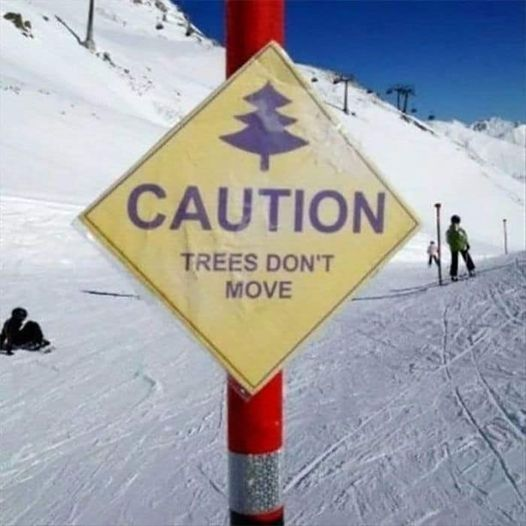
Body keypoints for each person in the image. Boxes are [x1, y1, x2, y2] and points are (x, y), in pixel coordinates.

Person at [446, 215, 476, 281]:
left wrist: (452, 244)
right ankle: (471, 270)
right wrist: (466, 243)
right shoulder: (458, 229)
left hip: (454, 247)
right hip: (461, 245)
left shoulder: (449, 230)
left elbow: (448, 240)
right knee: (467, 257)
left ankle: (453, 275)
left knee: (454, 261)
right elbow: (463, 237)